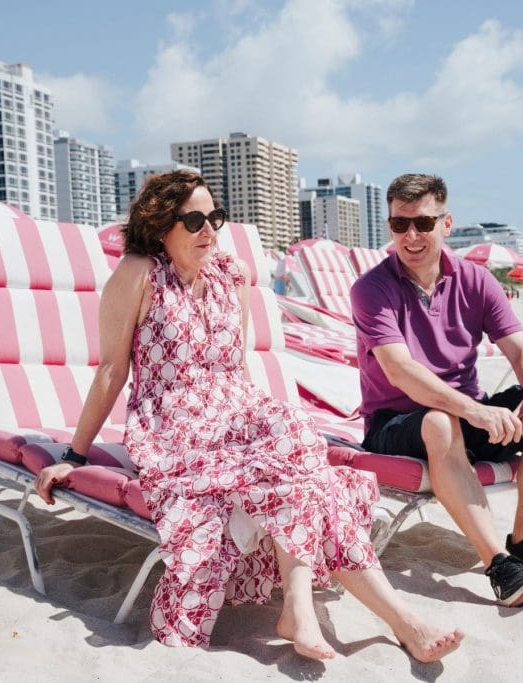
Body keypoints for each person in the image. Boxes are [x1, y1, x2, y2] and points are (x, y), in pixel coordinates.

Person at [33, 170, 462, 662]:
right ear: (159, 225)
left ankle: (315, 609)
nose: (209, 231)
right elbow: (112, 370)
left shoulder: (231, 275)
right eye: (193, 220)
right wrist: (74, 455)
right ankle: (393, 620)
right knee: (302, 449)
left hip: (231, 414)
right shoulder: (137, 274)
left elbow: (236, 368)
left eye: (214, 217)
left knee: (304, 452)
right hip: (173, 427)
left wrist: (258, 433)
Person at [351, 173, 523, 608]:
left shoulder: (476, 281)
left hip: (465, 417)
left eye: (422, 223)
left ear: (447, 223)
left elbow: (520, 347)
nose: (411, 236)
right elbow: (401, 372)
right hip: (396, 424)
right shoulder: (372, 289)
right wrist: (474, 412)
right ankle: (498, 563)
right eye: (400, 225)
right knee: (440, 422)